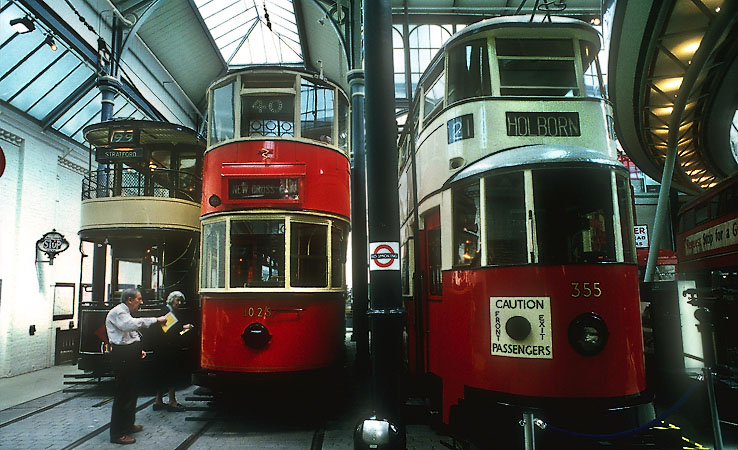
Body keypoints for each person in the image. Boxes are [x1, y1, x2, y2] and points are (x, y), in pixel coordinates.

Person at [106, 288, 167, 445]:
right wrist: (156, 320)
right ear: (129, 300)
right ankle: (117, 434)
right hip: (122, 355)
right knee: (124, 394)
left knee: (132, 391)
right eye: (139, 299)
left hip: (128, 354)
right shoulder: (119, 312)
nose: (141, 302)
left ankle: (128, 425)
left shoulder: (125, 312)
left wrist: (137, 349)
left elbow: (131, 334)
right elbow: (130, 326)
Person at [151, 290, 194, 412]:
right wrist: (184, 328)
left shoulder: (167, 311)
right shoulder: (167, 312)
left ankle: (158, 401)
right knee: (171, 374)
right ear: (171, 300)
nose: (179, 303)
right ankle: (172, 402)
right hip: (168, 349)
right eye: (177, 300)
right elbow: (170, 331)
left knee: (162, 374)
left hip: (162, 348)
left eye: (181, 301)